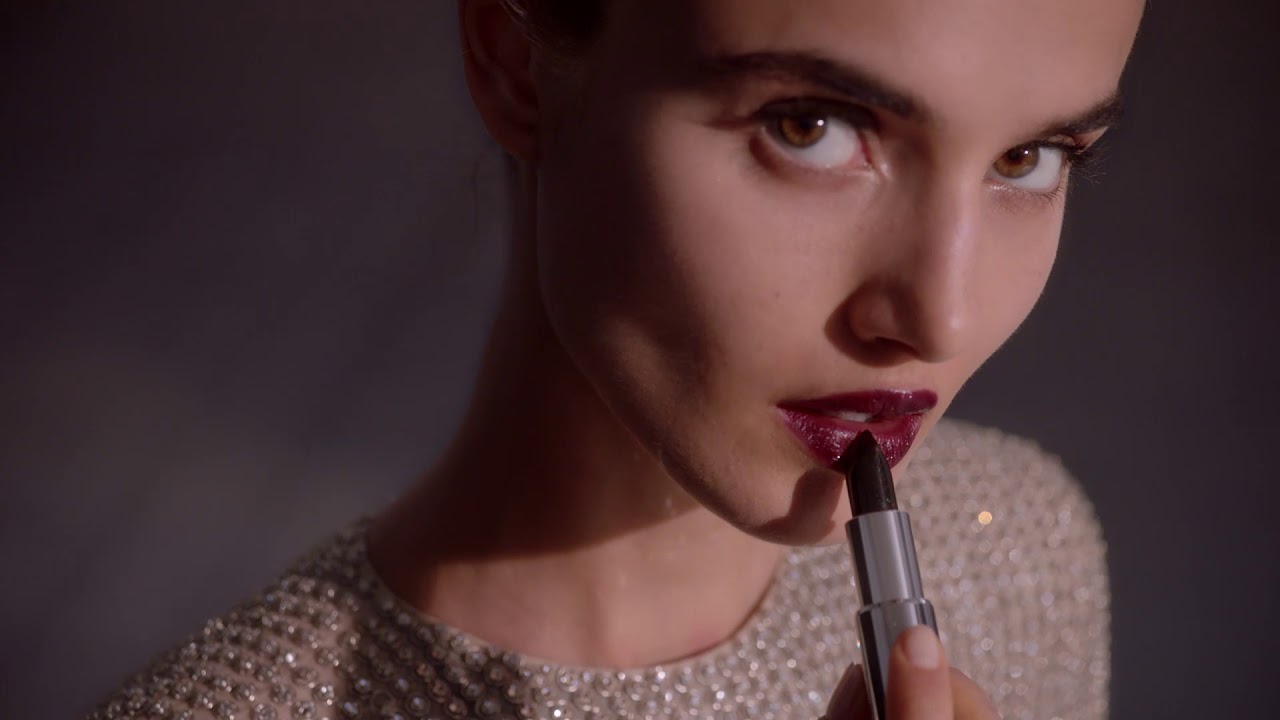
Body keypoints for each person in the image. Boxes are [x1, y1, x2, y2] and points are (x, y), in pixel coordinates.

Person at [89, 0, 1145, 718]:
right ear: (514, 64)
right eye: (811, 126)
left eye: (1029, 158)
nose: (940, 315)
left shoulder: (1020, 551)